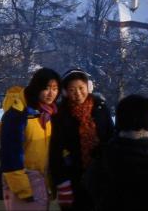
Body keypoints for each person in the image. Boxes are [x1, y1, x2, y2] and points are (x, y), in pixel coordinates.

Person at [0, 67, 61, 211]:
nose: (51, 93)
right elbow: (10, 154)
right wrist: (23, 190)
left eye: (55, 88)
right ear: (36, 87)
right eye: (46, 88)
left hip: (41, 183)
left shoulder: (47, 113)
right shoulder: (18, 114)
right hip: (25, 186)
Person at [49, 69, 113, 211]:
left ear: (88, 87)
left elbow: (111, 138)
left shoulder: (101, 108)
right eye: (72, 90)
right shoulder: (59, 114)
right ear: (65, 92)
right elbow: (54, 151)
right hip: (73, 178)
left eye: (81, 88)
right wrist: (61, 183)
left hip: (100, 176)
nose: (77, 93)